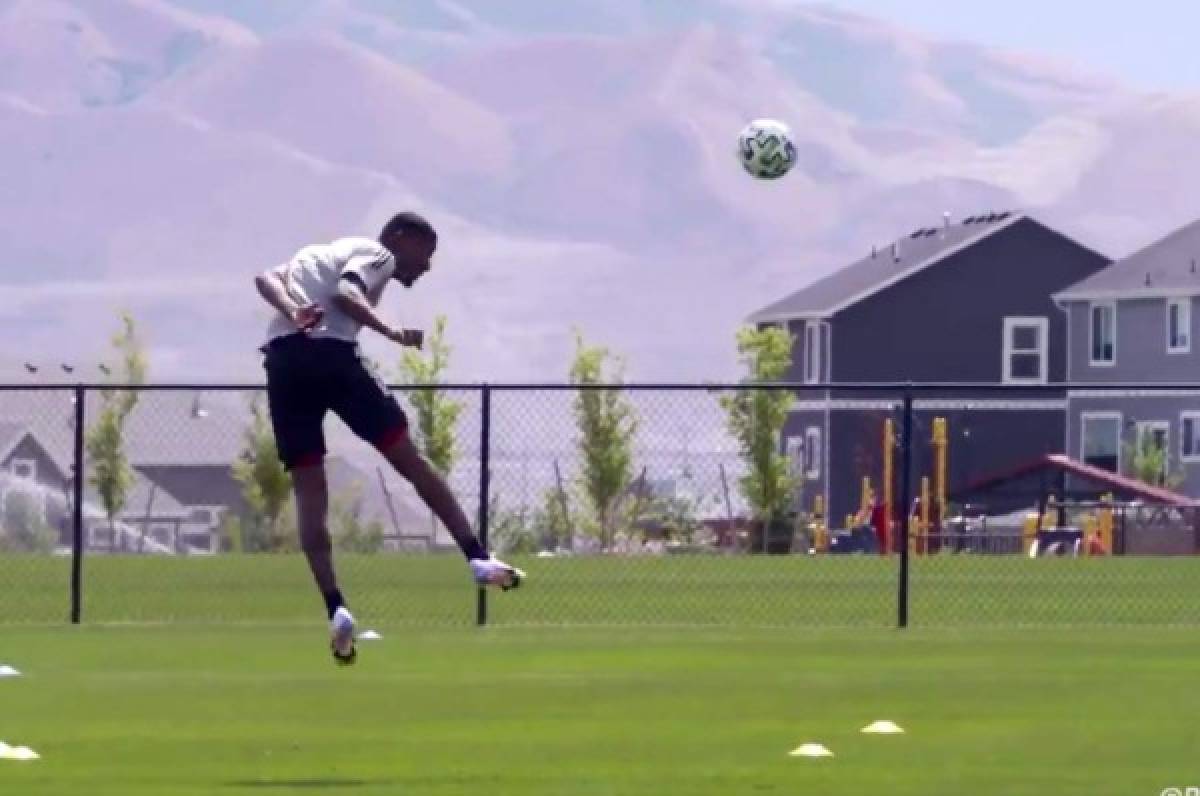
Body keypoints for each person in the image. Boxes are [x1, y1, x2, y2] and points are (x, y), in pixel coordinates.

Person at [253, 211, 525, 665]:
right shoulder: (376, 253)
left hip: (283, 362)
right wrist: (391, 331)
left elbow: (265, 278)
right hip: (331, 356)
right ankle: (476, 558)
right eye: (426, 252)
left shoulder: (310, 256)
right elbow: (346, 293)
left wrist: (292, 311)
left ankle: (336, 608)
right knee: (408, 458)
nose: (427, 266)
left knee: (309, 488)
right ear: (401, 238)